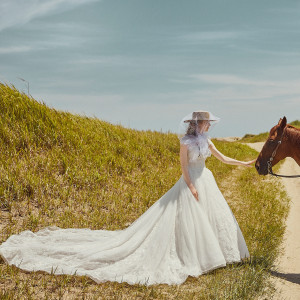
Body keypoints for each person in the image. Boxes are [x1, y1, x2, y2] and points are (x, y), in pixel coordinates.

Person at [0, 110, 256, 286]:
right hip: (192, 183)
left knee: (213, 218)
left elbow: (223, 158)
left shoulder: (207, 141)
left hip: (207, 180)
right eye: (207, 122)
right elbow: (184, 168)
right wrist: (190, 187)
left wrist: (244, 163)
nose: (210, 125)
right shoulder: (186, 142)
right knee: (187, 223)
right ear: (198, 123)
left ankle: (219, 254)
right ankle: (196, 257)